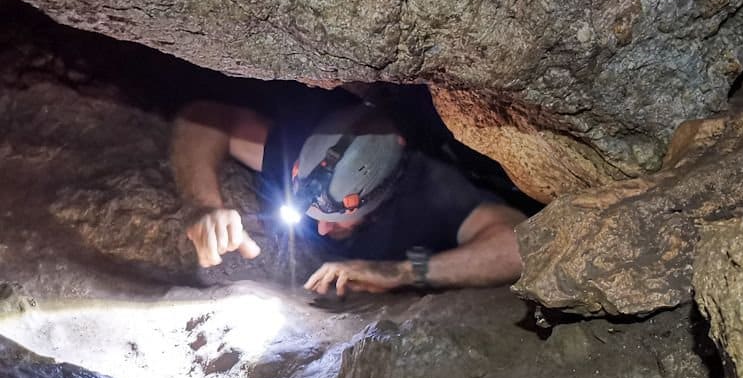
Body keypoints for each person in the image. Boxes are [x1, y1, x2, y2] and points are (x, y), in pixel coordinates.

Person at [170, 91, 526, 297]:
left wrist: (403, 272)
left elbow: (519, 245)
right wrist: (204, 207)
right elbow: (205, 119)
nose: (322, 230)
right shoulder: (301, 157)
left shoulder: (431, 190)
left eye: (337, 219)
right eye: (316, 217)